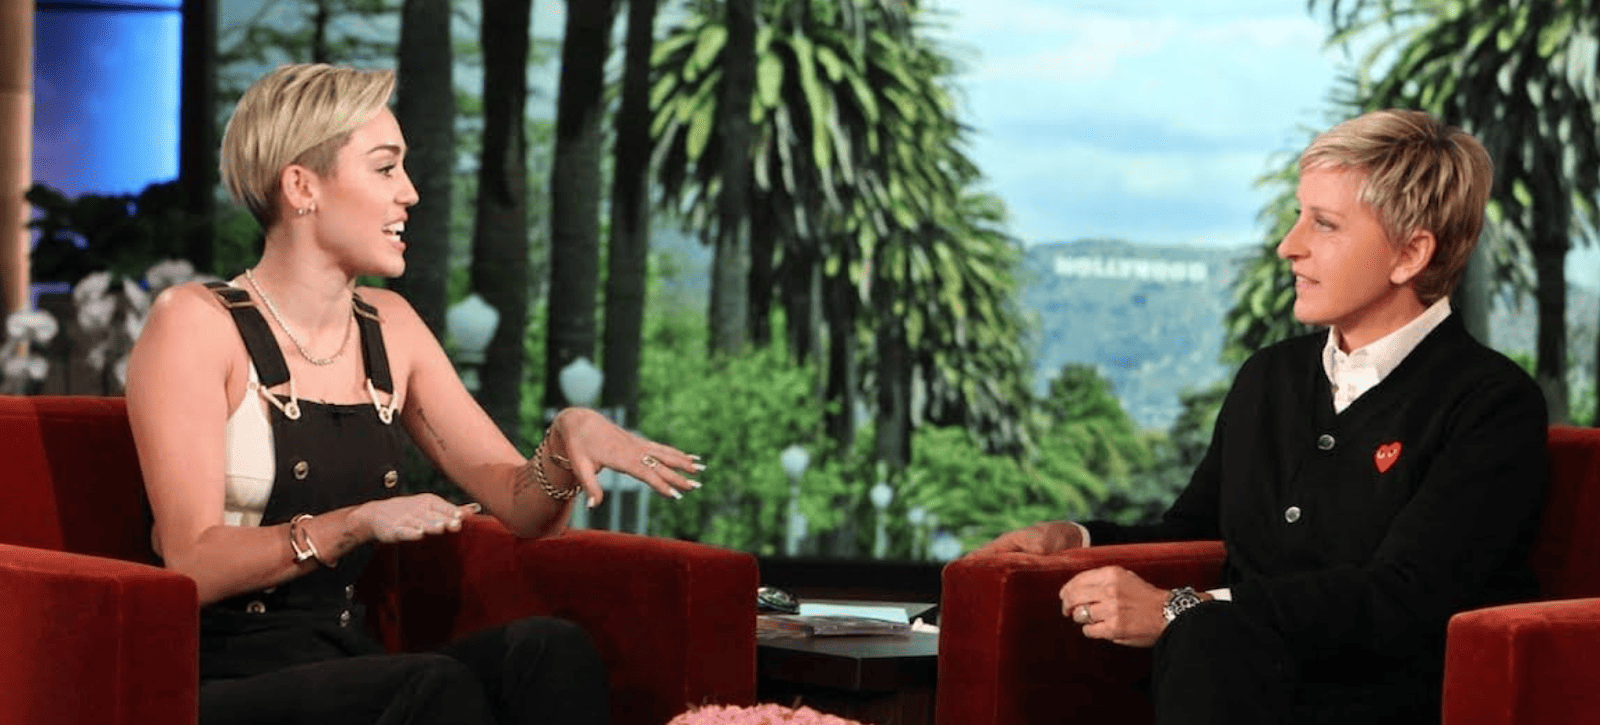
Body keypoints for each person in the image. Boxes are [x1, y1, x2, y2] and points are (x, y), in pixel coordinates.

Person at [125, 63, 702, 725]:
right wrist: (356, 521)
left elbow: (521, 507)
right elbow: (189, 558)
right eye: (384, 168)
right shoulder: (195, 322)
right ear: (301, 185)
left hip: (349, 662)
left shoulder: (390, 326)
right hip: (222, 677)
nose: (412, 193)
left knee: (548, 649)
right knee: (429, 687)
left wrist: (565, 450)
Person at [969, 109, 1548, 725]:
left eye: (1324, 224)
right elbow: (1194, 533)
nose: (1288, 245)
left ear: (1410, 254)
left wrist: (1179, 609)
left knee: (1204, 637)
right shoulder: (1269, 377)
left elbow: (1403, 597)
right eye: (1299, 216)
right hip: (1230, 679)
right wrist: (1075, 540)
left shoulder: (1492, 402)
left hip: (1374, 699)